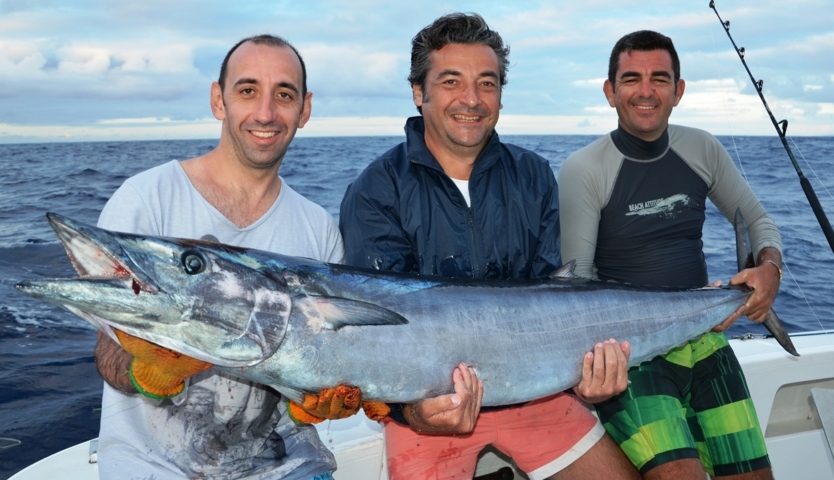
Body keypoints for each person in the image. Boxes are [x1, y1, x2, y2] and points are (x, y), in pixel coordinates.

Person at [340, 13, 640, 480]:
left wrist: (588, 378)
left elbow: (553, 296)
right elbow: (378, 336)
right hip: (428, 411)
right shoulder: (376, 189)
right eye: (451, 81)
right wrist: (414, 412)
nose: (472, 100)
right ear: (419, 93)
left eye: (487, 83)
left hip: (537, 396)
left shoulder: (534, 174)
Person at [93, 34, 361, 479]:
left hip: (288, 465)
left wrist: (317, 402)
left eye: (284, 94)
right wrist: (145, 371)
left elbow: (320, 368)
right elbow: (107, 348)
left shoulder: (318, 228)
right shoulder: (145, 199)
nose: (265, 113)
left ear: (305, 109)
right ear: (219, 100)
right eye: (248, 90)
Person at [558, 30, 782, 480]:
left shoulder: (702, 148)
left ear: (678, 91)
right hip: (631, 355)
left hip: (706, 338)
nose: (646, 91)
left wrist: (769, 269)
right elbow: (574, 289)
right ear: (610, 92)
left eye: (660, 78)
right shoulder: (583, 169)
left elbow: (760, 224)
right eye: (631, 79)